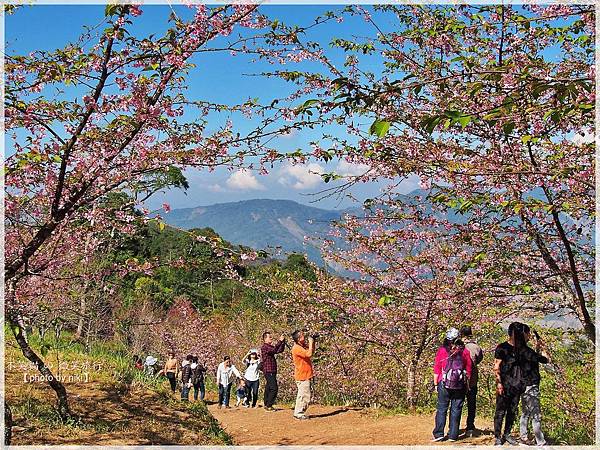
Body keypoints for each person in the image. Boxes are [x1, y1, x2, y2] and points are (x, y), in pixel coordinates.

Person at [432, 328, 472, 442]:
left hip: (443, 383)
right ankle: (453, 435)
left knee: (441, 408)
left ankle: (439, 433)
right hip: (460, 385)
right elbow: (468, 370)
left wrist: (436, 383)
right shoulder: (464, 352)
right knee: (456, 409)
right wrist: (467, 385)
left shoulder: (442, 351)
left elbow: (437, 368)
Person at [493, 322, 527, 446]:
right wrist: (499, 383)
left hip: (517, 385)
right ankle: (497, 436)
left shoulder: (522, 349)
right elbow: (496, 366)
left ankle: (507, 434)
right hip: (504, 385)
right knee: (500, 411)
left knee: (512, 411)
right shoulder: (502, 347)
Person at [519, 324, 549, 446]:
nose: (530, 335)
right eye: (528, 333)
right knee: (536, 414)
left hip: (522, 385)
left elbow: (532, 358)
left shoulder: (519, 350)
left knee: (525, 412)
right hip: (531, 385)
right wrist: (543, 349)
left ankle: (524, 437)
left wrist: (537, 348)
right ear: (524, 334)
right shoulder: (528, 351)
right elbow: (545, 360)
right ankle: (540, 442)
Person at [460, 325, 484, 437]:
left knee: (457, 404)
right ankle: (470, 426)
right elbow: (479, 359)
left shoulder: (457, 345)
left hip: (457, 380)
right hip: (472, 379)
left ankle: (453, 427)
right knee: (471, 404)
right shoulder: (476, 347)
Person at [291, 329, 315, 420]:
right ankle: (298, 413)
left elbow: (311, 351)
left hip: (306, 374)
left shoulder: (301, 346)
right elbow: (308, 354)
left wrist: (313, 342)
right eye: (302, 336)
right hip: (302, 375)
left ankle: (299, 412)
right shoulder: (296, 348)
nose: (304, 337)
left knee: (305, 394)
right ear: (298, 339)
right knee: (303, 395)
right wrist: (311, 342)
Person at [260, 331, 286, 411]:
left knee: (268, 387)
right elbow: (274, 350)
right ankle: (269, 405)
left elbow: (279, 350)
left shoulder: (270, 347)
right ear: (265, 338)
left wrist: (283, 342)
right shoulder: (265, 347)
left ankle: (266, 404)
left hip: (272, 369)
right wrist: (280, 341)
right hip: (268, 370)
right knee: (274, 388)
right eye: (270, 337)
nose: (271, 338)